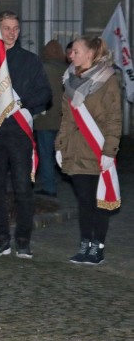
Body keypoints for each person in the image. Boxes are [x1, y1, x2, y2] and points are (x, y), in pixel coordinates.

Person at [0, 11, 51, 258]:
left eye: (15, 28)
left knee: (23, 189)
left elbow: (45, 93)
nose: (11, 32)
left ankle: (23, 241)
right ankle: (1, 239)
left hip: (19, 133)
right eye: (6, 28)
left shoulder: (31, 61)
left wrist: (21, 103)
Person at [55, 37, 121, 266]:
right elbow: (66, 119)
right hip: (76, 151)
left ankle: (97, 246)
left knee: (99, 200)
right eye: (71, 51)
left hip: (98, 148)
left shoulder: (108, 80)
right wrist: (60, 146)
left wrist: (109, 150)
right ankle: (84, 244)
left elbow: (114, 118)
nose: (71, 55)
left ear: (90, 54)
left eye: (76, 51)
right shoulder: (69, 79)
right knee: (84, 201)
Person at [34, 40, 68, 197]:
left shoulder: (42, 69)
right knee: (63, 153)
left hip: (45, 119)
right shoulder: (67, 70)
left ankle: (49, 187)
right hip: (64, 119)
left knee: (46, 154)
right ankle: (69, 180)